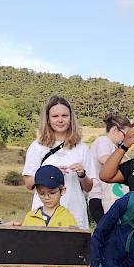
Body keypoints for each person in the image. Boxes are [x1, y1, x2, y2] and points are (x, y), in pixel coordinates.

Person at [22, 95, 96, 229]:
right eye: (55, 116)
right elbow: (28, 184)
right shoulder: (37, 147)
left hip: (74, 213)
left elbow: (89, 187)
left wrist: (82, 175)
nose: (60, 120)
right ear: (48, 120)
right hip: (43, 216)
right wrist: (50, 173)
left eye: (64, 115)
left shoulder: (82, 148)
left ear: (71, 118)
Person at [87, 113, 132, 224]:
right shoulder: (104, 141)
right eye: (125, 135)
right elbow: (104, 159)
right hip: (99, 197)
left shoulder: (114, 146)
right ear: (114, 130)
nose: (125, 139)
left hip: (108, 197)